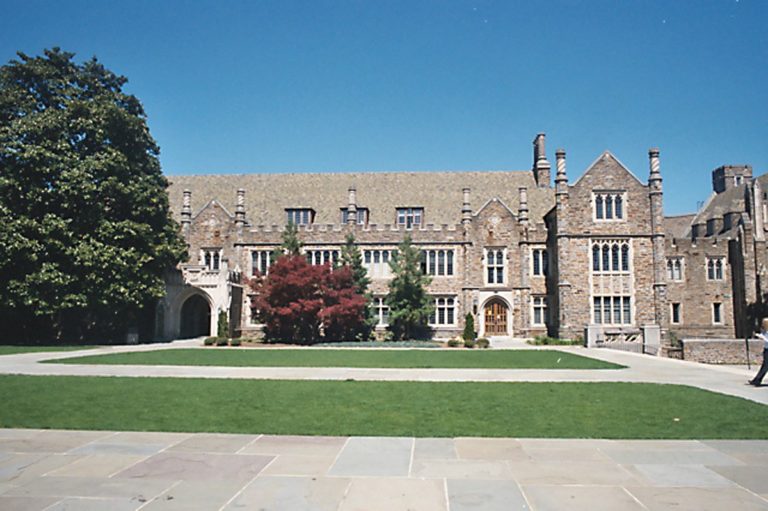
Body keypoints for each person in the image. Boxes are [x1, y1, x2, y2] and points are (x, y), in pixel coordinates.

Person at [748, 318, 768, 386]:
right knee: (765, 366)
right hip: (766, 349)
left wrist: (763, 338)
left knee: (765, 366)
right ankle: (757, 380)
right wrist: (757, 335)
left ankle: (757, 380)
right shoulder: (765, 331)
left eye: (763, 323)